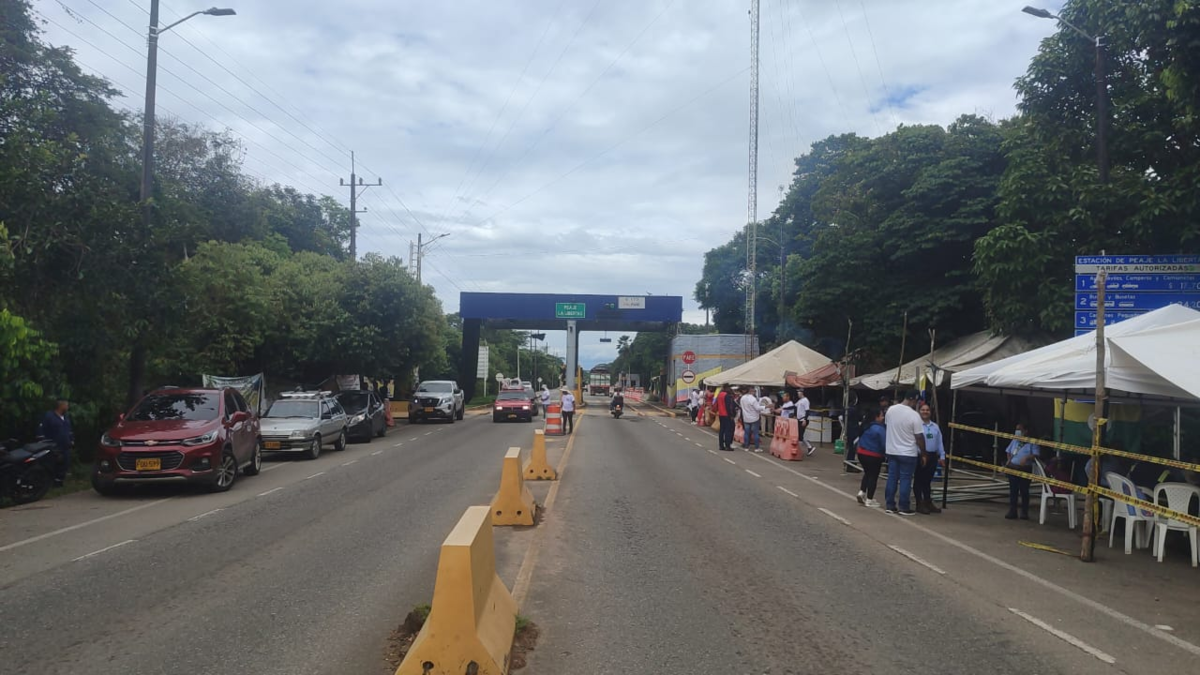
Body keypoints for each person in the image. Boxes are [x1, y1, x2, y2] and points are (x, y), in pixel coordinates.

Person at [884, 390, 926, 516]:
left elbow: (887, 426)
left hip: (892, 450)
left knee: (892, 477)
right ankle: (904, 506)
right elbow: (919, 437)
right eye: (916, 401)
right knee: (905, 479)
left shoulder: (891, 410)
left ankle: (890, 505)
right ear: (913, 399)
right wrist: (924, 453)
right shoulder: (914, 415)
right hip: (908, 452)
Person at [914, 402, 946, 514]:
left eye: (927, 410)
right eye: (923, 410)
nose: (925, 412)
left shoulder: (935, 426)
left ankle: (928, 502)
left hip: (932, 456)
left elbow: (939, 442)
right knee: (919, 480)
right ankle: (919, 503)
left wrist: (942, 455)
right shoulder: (917, 425)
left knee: (927, 480)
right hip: (921, 455)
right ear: (919, 411)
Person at [1004, 421, 1040, 520]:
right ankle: (1012, 511)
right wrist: (1009, 460)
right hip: (1013, 468)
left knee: (1024, 491)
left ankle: (1024, 512)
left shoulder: (1032, 442)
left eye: (1019, 430)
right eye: (1016, 430)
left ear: (1026, 431)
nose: (1017, 431)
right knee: (1013, 491)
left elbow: (1036, 454)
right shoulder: (1015, 440)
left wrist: (1027, 457)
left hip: (1025, 469)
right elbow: (1008, 451)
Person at [856, 408, 887, 508]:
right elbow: (884, 444)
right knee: (873, 476)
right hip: (874, 455)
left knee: (867, 473)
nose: (883, 417)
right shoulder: (879, 429)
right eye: (881, 415)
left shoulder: (865, 426)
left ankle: (862, 492)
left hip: (861, 453)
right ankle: (869, 499)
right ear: (876, 417)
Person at [38, 399, 73, 485]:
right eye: (66, 405)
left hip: (65, 445)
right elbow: (41, 429)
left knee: (64, 463)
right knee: (52, 463)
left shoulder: (66, 417)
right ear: (61, 406)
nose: (68, 407)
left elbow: (69, 430)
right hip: (54, 445)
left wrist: (71, 440)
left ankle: (59, 481)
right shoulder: (49, 416)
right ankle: (49, 482)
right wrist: (42, 441)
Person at [739, 386, 765, 452]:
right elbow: (757, 408)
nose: (755, 393)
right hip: (754, 418)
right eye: (754, 391)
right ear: (751, 391)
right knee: (755, 433)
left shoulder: (742, 398)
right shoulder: (753, 399)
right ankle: (757, 448)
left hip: (746, 418)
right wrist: (765, 406)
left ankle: (746, 447)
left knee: (746, 433)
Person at [716, 384, 736, 451]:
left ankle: (721, 445)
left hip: (721, 414)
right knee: (728, 430)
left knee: (722, 430)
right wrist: (731, 415)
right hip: (726, 415)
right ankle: (728, 445)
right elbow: (729, 406)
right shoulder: (727, 396)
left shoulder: (719, 394)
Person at [796, 388, 815, 455]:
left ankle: (799, 450)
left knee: (800, 436)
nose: (798, 394)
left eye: (798, 392)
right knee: (800, 435)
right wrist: (783, 408)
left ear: (802, 393)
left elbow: (807, 411)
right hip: (799, 419)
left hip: (803, 419)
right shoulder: (800, 401)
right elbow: (794, 406)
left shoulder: (805, 400)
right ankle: (809, 447)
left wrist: (805, 419)